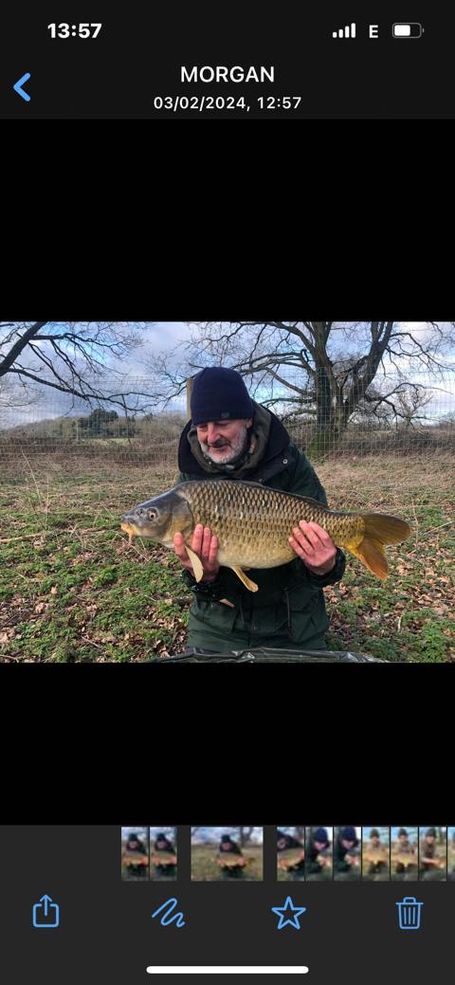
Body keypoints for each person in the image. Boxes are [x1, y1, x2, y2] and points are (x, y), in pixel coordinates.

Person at [173, 367, 346, 653]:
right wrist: (203, 575)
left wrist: (324, 567)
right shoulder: (190, 481)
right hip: (219, 624)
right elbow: (201, 586)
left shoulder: (291, 464)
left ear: (248, 419)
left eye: (221, 423)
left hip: (293, 621)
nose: (210, 437)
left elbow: (326, 565)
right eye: (202, 426)